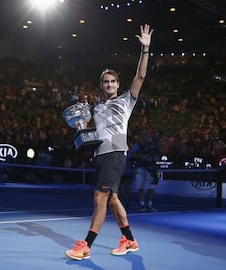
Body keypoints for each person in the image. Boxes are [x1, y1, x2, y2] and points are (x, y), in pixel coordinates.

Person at [65, 24, 153, 260]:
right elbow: (96, 133)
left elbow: (141, 76)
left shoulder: (127, 100)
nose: (110, 85)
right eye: (106, 82)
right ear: (101, 85)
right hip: (101, 156)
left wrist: (145, 49)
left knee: (99, 198)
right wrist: (81, 130)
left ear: (118, 84)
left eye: (113, 82)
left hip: (115, 154)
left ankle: (86, 245)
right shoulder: (97, 107)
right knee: (113, 199)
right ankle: (130, 240)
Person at [131, 130, 160, 213]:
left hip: (151, 170)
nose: (145, 138)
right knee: (140, 187)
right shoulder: (137, 145)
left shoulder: (152, 145)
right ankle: (142, 205)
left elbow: (157, 155)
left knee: (151, 187)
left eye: (146, 136)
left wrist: (155, 158)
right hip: (140, 168)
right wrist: (141, 156)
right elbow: (132, 154)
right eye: (143, 136)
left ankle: (150, 205)